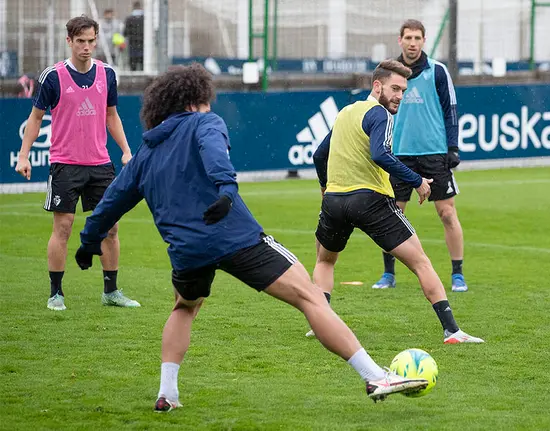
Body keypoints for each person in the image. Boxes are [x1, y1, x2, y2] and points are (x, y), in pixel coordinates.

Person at [75, 63, 429, 411]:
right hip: (235, 236)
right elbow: (216, 159)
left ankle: (168, 392)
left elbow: (110, 203)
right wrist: (226, 190)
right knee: (310, 296)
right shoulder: (205, 122)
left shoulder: (145, 153)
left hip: (187, 250)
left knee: (184, 307)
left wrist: (89, 241)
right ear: (194, 99)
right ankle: (374, 375)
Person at [310, 59, 483, 345]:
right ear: (376, 86)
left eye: (403, 90)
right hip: (369, 200)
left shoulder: (345, 113)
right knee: (420, 262)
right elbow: (380, 154)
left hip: (335, 201)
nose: (400, 96)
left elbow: (319, 155)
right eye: (395, 89)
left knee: (325, 260)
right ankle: (452, 331)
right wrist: (417, 180)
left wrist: (324, 187)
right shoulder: (380, 115)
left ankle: (320, 325)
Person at [14, 15, 139, 311]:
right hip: (65, 164)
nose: (86, 47)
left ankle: (111, 291)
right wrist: (23, 155)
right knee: (64, 227)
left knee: (110, 227)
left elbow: (112, 116)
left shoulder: (107, 74)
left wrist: (126, 150)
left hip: (100, 164)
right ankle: (56, 293)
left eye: (91, 41)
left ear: (97, 40)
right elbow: (35, 119)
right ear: (69, 41)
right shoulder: (53, 77)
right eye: (80, 41)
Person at [371, 19, 467, 293]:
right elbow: (375, 108)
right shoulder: (388, 72)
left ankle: (457, 274)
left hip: (434, 153)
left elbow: (451, 109)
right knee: (392, 214)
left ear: (424, 41)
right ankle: (388, 273)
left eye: (417, 38)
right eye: (408, 38)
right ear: (399, 40)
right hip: (397, 154)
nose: (413, 43)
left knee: (447, 213)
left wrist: (452, 147)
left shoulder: (438, 71)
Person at [124, 2, 144, 72]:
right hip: (143, 43)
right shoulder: (144, 19)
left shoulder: (129, 19)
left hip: (133, 43)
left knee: (133, 64)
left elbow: (125, 32)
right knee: (142, 63)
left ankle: (133, 76)